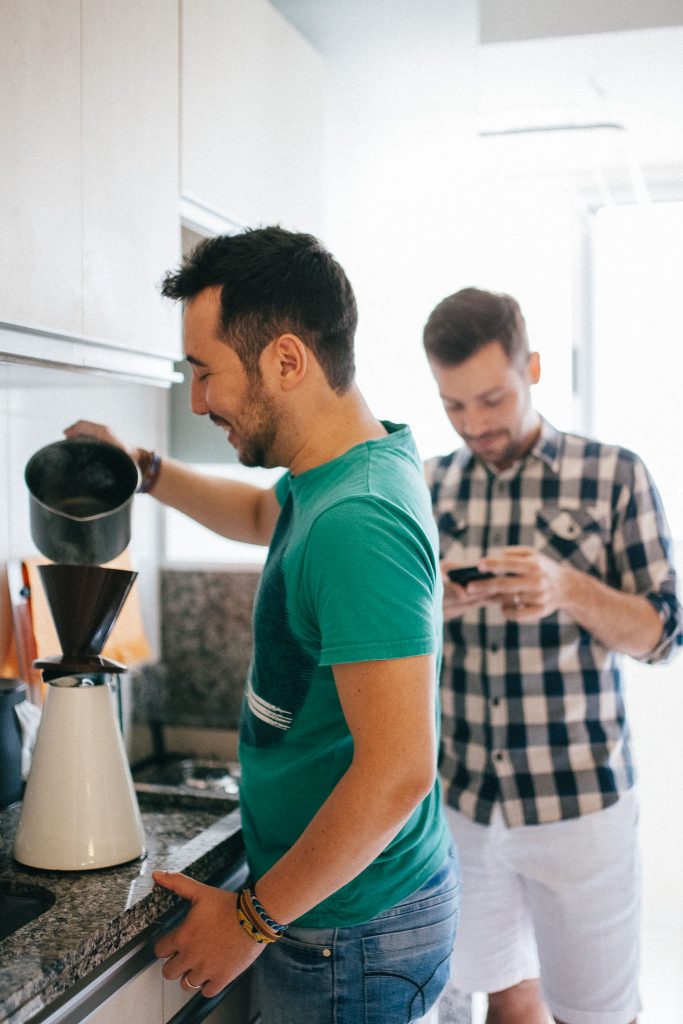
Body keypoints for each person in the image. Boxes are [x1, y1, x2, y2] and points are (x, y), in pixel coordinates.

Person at [65, 226, 458, 1024]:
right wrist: (144, 471)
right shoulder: (342, 471)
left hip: (347, 935)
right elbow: (253, 512)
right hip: (338, 915)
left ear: (286, 360)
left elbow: (398, 772)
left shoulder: (360, 521)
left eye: (206, 372)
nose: (199, 400)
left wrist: (250, 921)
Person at [421, 287, 682, 1024]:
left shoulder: (615, 475)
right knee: (482, 995)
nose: (475, 424)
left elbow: (663, 634)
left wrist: (567, 588)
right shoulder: (429, 485)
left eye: (491, 399)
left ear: (530, 366)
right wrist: (432, 604)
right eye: (453, 406)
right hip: (459, 805)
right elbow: (395, 637)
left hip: (579, 807)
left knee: (595, 1014)